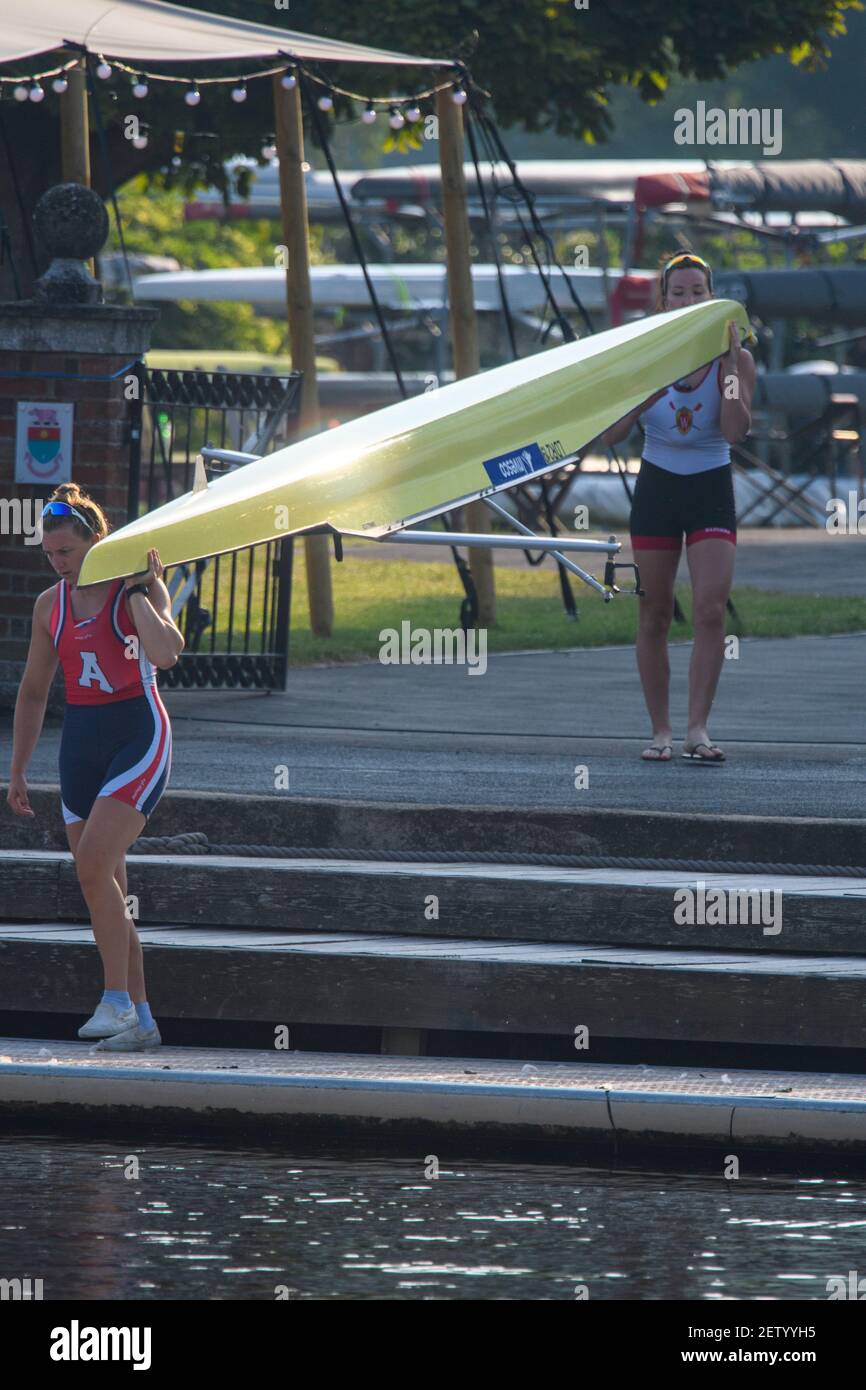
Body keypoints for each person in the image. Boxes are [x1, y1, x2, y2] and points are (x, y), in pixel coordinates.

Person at [6, 483, 184, 1050]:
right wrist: (17, 770)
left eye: (68, 552)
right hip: (80, 749)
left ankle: (115, 1003)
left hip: (138, 737)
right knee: (105, 882)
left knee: (92, 866)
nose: (58, 564)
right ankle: (144, 1020)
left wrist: (139, 595)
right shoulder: (48, 607)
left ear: (96, 543)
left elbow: (167, 652)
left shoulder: (139, 584)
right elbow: (34, 693)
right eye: (50, 554)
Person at [602, 252, 755, 763]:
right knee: (655, 612)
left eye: (699, 292)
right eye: (680, 292)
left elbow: (734, 431)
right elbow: (613, 433)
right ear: (664, 300)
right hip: (658, 487)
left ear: (713, 299)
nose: (689, 300)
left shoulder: (736, 361)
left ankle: (697, 729)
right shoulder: (644, 356)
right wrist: (645, 390)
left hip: (709, 485)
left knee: (711, 610)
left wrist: (730, 368)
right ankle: (661, 731)